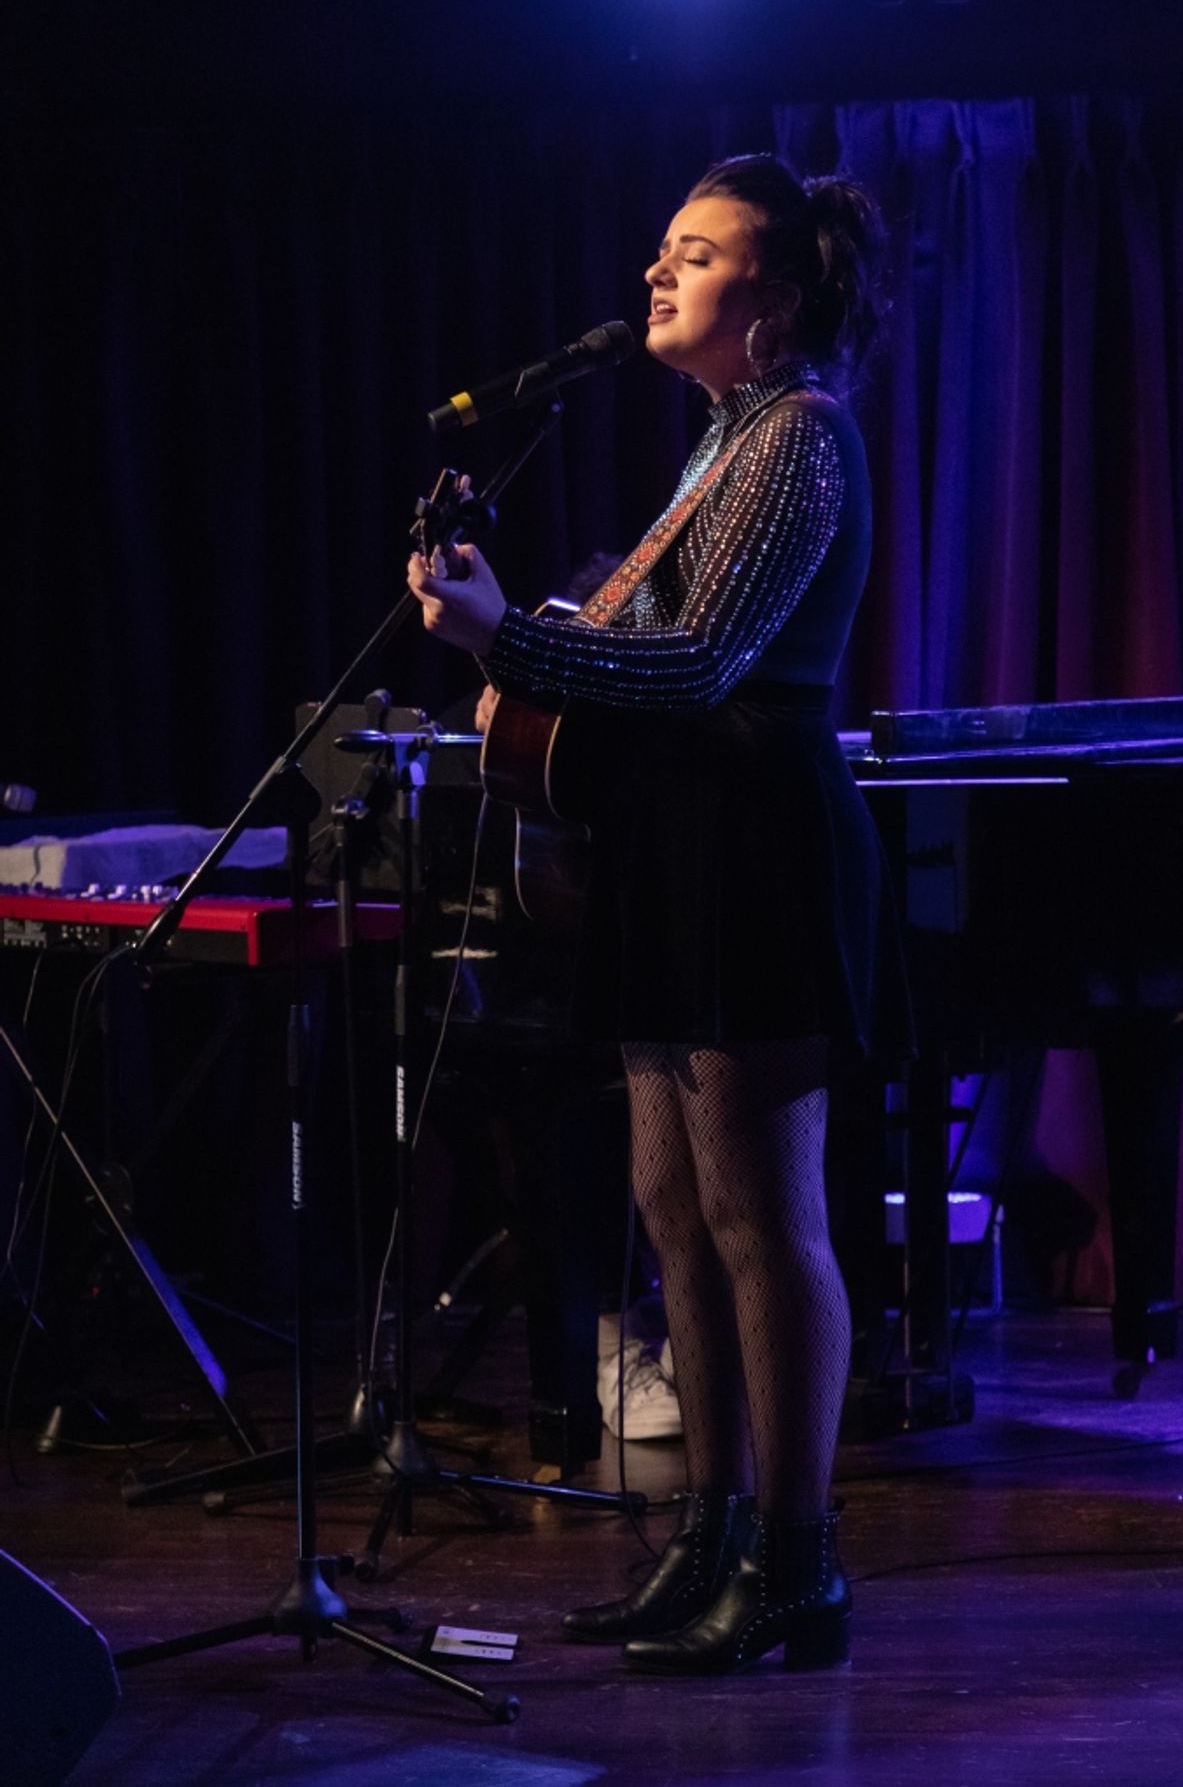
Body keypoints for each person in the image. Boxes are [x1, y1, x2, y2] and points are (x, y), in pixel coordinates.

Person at [407, 152, 909, 1675]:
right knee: (675, 1212)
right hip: (675, 846)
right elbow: (645, 655)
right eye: (660, 251)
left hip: (753, 846)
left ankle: (800, 1563)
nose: (655, 273)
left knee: (766, 1220)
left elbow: (700, 673)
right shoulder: (721, 446)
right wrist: (521, 638)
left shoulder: (802, 439)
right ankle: (707, 1536)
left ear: (777, 296)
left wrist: (513, 642)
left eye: (695, 254)